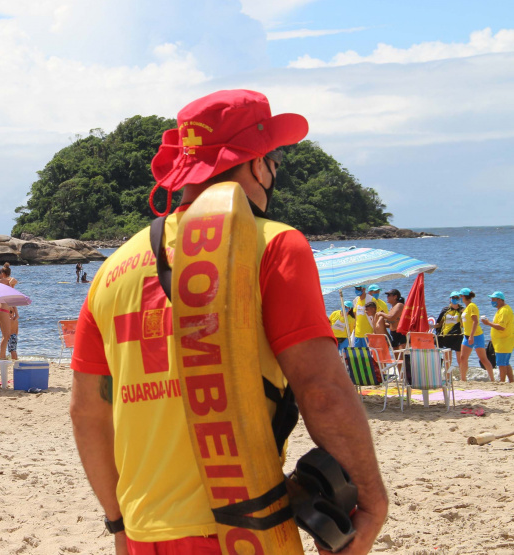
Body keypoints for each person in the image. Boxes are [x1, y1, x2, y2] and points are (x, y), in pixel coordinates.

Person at [69, 90, 386, 555]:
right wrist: (372, 498)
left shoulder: (113, 269)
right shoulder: (274, 245)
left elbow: (87, 414)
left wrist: (118, 524)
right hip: (243, 527)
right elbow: (320, 388)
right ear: (259, 165)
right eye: (274, 158)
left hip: (142, 531)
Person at [459, 287, 494, 381]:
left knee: (483, 358)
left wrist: (471, 336)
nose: (460, 298)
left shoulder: (472, 306)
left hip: (476, 336)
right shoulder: (466, 308)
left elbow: (475, 321)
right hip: (466, 335)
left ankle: (492, 379)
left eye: (461, 296)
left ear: (464, 296)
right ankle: (463, 379)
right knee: (463, 358)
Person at [481, 292, 513, 383]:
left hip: (503, 342)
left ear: (500, 300)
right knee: (505, 363)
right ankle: (511, 381)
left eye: (493, 300)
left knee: (501, 364)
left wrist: (488, 323)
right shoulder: (502, 309)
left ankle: (502, 381)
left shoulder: (504, 311)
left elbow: (502, 327)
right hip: (504, 341)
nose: (492, 301)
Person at [435, 292, 464, 369]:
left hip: (458, 336)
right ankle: (448, 377)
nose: (455, 299)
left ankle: (462, 377)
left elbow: (465, 324)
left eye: (456, 298)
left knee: (460, 359)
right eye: (453, 298)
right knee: (447, 359)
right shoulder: (445, 310)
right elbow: (439, 323)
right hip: (446, 336)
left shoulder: (462, 310)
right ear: (450, 299)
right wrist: (430, 326)